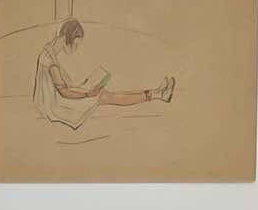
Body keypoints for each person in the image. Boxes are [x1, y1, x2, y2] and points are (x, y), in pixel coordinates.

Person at [33, 19, 174, 130]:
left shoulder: (49, 52)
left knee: (104, 92)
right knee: (105, 96)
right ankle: (158, 95)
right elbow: (64, 92)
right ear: (67, 38)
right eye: (75, 45)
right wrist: (87, 94)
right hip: (57, 107)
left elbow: (62, 86)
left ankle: (156, 92)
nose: (75, 49)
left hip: (56, 100)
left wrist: (85, 86)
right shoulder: (51, 61)